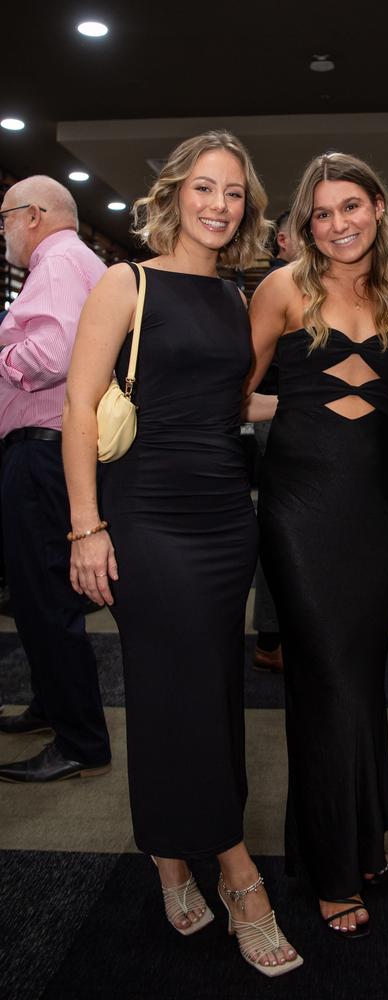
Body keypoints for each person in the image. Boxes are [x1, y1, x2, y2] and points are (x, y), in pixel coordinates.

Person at [62, 131, 301, 976]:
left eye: (234, 193)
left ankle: (167, 851)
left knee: (206, 689)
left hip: (221, 518)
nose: (219, 205)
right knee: (179, 689)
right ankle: (235, 871)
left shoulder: (236, 299)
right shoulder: (126, 283)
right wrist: (86, 527)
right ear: (173, 193)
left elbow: (232, 399)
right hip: (144, 515)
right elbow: (79, 410)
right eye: (206, 187)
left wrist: (337, 395)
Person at [245, 152, 388, 936]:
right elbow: (237, 389)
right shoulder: (283, 288)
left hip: (372, 517)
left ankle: (358, 836)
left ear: (378, 206)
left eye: (350, 207)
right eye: (321, 213)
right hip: (298, 512)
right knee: (322, 679)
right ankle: (331, 863)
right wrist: (306, 405)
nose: (337, 224)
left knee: (359, 681)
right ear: (305, 225)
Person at [0, 175, 111, 782]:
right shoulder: (75, 261)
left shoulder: (59, 261)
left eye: (5, 218)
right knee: (40, 597)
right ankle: (54, 707)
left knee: (46, 602)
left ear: (35, 216)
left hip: (42, 452)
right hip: (48, 451)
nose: (4, 233)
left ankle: (80, 740)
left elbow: (53, 355)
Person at [251, 210, 299, 672]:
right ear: (282, 240)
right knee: (280, 525)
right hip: (277, 416)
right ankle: (270, 636)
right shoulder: (276, 286)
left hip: (298, 417)